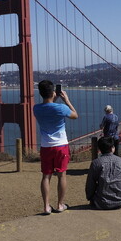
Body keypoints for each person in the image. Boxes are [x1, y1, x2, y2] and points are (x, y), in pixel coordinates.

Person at [33, 80, 78, 215]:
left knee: (46, 176)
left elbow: (48, 108)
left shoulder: (36, 108)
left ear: (40, 93)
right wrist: (67, 101)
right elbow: (75, 115)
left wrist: (53, 98)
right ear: (53, 92)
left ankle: (46, 207)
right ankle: (60, 205)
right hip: (61, 146)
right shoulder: (61, 108)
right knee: (61, 174)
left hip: (46, 146)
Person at [85, 137, 121, 210]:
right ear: (112, 148)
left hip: (101, 203)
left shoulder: (96, 163)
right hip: (120, 202)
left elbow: (90, 184)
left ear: (99, 150)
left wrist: (90, 198)